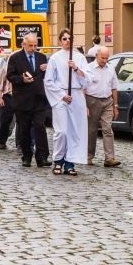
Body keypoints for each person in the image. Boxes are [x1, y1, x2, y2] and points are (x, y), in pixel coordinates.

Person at [44, 29, 92, 175]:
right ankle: (58, 161)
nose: (67, 41)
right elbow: (49, 81)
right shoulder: (55, 58)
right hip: (60, 96)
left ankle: (70, 163)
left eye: (69, 38)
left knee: (74, 131)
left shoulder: (79, 57)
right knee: (62, 131)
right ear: (60, 41)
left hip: (76, 95)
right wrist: (62, 95)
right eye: (64, 39)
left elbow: (88, 79)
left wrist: (76, 68)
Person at [6, 33, 51, 168]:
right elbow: (10, 76)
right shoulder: (15, 57)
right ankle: (26, 156)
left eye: (35, 45)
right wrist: (22, 79)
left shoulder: (42, 57)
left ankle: (42, 156)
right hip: (22, 99)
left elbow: (48, 76)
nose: (33, 48)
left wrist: (48, 69)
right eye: (30, 45)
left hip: (38, 98)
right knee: (24, 129)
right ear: (23, 45)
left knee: (40, 127)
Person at [85, 46, 121, 167]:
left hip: (107, 101)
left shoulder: (110, 69)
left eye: (106, 58)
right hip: (92, 100)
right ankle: (88, 155)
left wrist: (115, 106)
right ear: (96, 55)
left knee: (107, 128)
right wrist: (85, 105)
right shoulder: (89, 68)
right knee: (92, 130)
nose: (104, 61)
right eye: (102, 58)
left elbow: (114, 88)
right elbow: (83, 87)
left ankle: (109, 158)